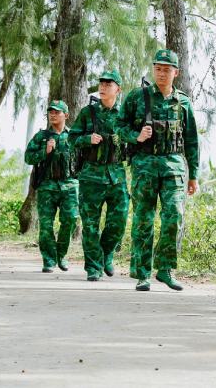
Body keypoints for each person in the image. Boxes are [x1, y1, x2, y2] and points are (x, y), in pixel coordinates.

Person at [119, 50, 199, 292]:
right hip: (144, 166)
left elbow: (192, 140)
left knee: (174, 215)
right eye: (158, 68)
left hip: (174, 166)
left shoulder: (183, 102)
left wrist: (193, 174)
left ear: (176, 72)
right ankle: (142, 273)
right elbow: (119, 125)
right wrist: (136, 136)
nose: (162, 73)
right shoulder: (137, 97)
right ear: (154, 70)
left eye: (167, 69)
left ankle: (165, 269)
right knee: (143, 219)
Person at [69, 70, 129, 282]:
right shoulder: (88, 113)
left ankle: (106, 254)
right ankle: (94, 267)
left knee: (119, 221)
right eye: (101, 83)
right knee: (91, 225)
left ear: (118, 89)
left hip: (117, 176)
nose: (103, 87)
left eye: (108, 84)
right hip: (91, 176)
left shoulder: (124, 115)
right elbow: (71, 138)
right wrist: (87, 139)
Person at [25, 101, 80, 273]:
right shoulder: (41, 137)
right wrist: (45, 152)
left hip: (70, 186)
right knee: (46, 225)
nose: (53, 114)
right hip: (47, 187)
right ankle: (49, 260)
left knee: (70, 221)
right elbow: (28, 158)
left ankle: (61, 255)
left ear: (66, 115)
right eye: (50, 112)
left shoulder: (73, 136)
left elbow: (83, 160)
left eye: (57, 112)